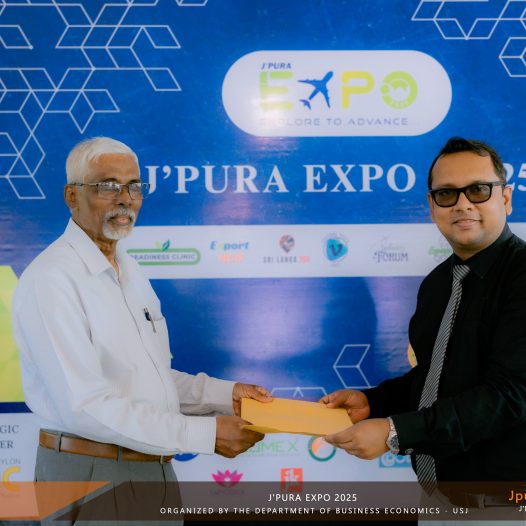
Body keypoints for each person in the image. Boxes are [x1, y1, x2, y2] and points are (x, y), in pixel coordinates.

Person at [12, 137, 271, 522]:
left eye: (134, 186)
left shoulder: (130, 271)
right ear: (72, 196)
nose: (125, 198)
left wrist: (224, 395)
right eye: (108, 185)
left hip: (151, 470)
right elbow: (84, 407)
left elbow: (146, 380)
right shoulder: (52, 279)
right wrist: (204, 434)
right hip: (92, 474)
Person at [321, 138, 526, 521]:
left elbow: (511, 395)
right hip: (438, 499)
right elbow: (435, 378)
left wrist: (396, 432)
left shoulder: (521, 276)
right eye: (447, 194)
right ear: (432, 206)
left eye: (478, 190)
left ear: (506, 198)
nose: (463, 204)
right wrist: (374, 403)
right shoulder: (437, 284)